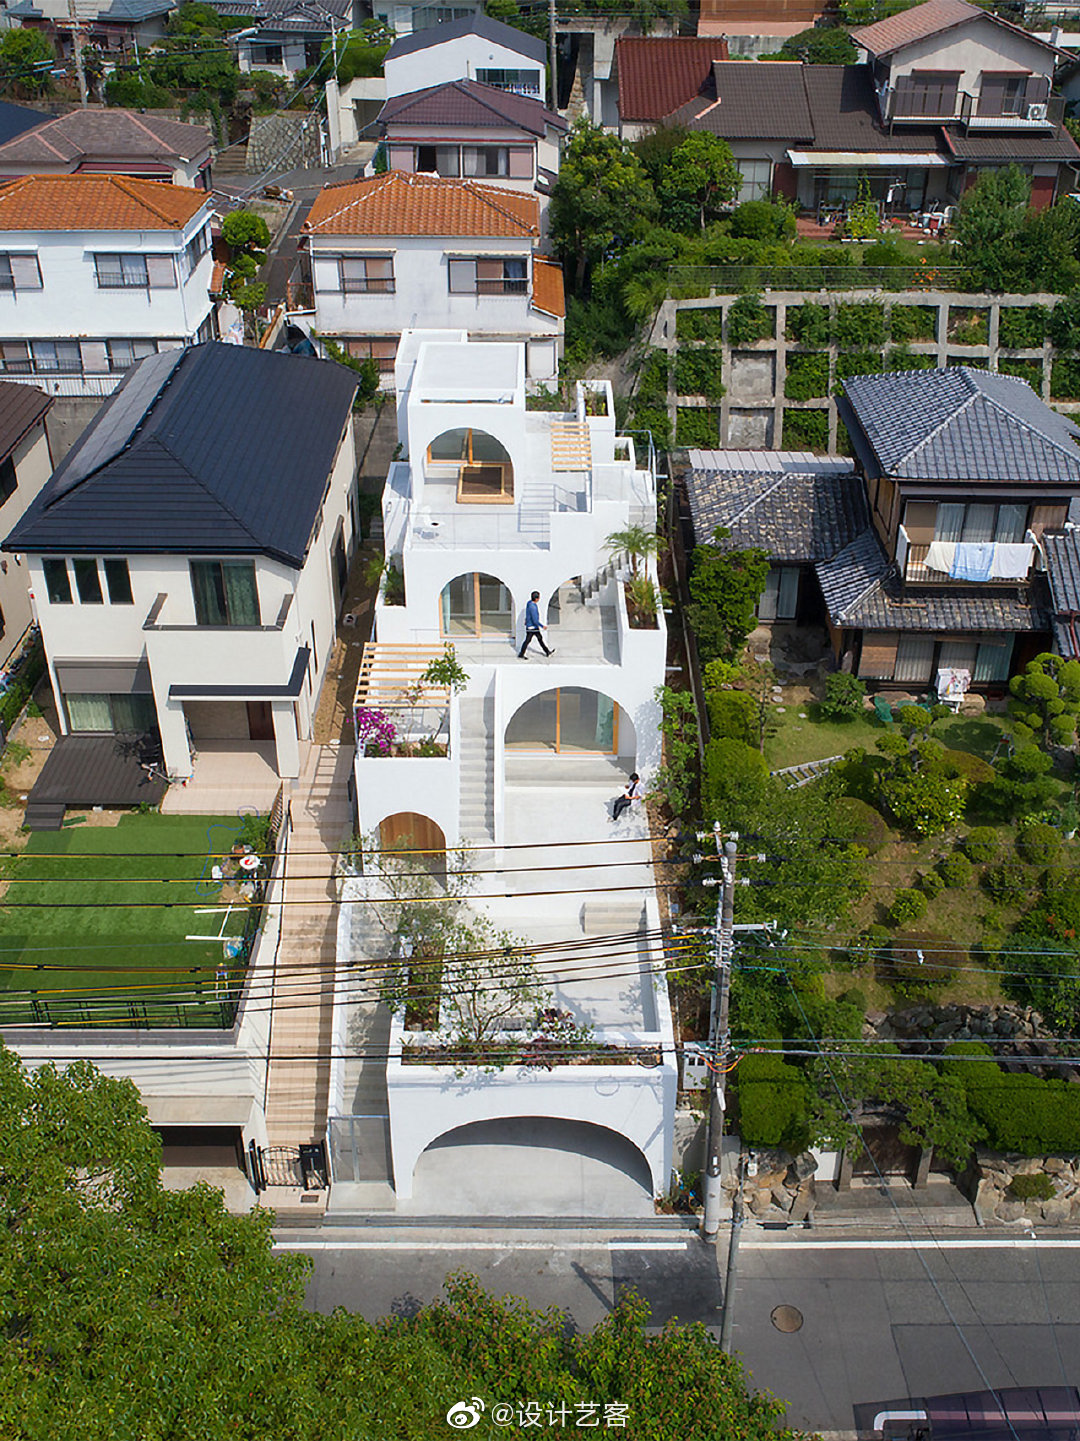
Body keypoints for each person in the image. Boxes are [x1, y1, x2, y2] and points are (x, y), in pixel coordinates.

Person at [518, 591, 555, 659]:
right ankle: (521, 654)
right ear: (536, 599)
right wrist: (542, 626)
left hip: (531, 626)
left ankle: (547, 652)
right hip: (532, 627)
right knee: (528, 640)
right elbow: (535, 620)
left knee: (539, 639)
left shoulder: (529, 603)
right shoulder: (533, 607)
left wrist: (526, 620)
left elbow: (527, 613)